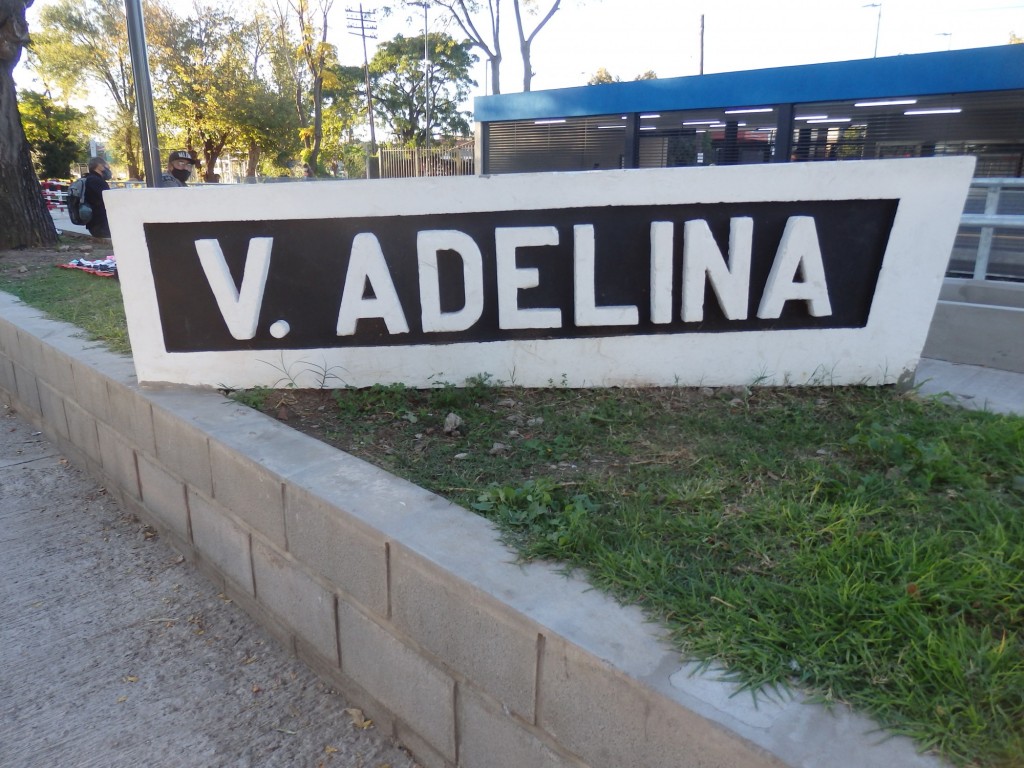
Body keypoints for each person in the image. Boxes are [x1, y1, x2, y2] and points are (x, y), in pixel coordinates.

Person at [83, 157, 112, 238]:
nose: (108, 169)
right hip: (101, 225)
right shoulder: (96, 181)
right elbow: (108, 200)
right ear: (99, 166)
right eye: (106, 166)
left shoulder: (89, 179)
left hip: (95, 225)